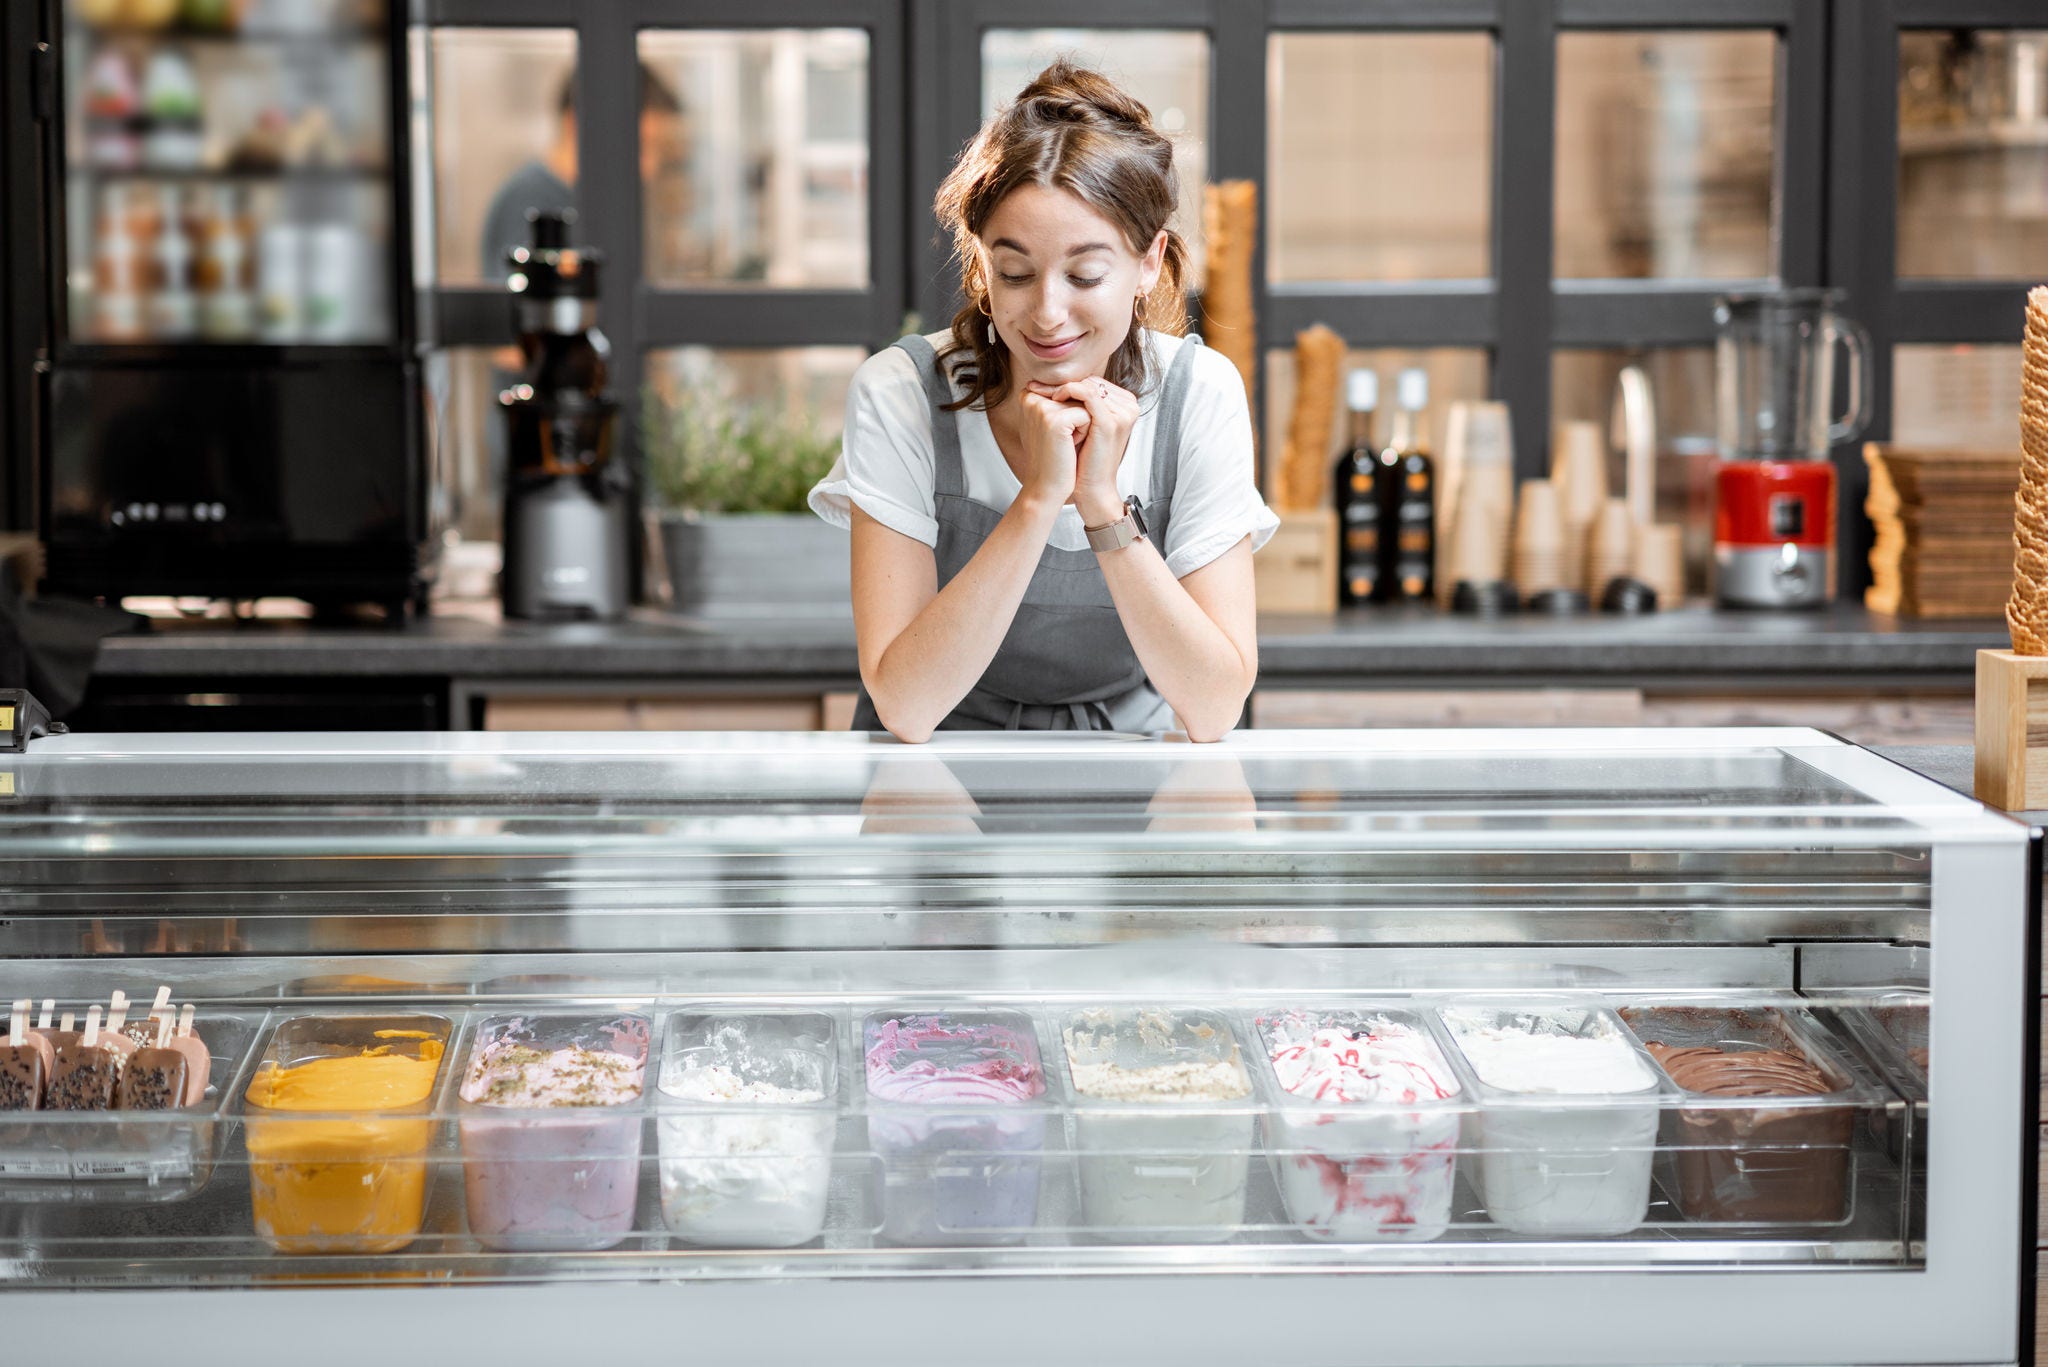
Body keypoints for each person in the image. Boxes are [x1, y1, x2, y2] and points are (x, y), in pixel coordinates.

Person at [808, 61, 1275, 742]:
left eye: (1085, 272)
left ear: (1150, 262)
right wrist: (1038, 497)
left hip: (1131, 764)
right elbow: (906, 705)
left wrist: (1100, 503)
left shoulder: (1199, 394)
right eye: (1016, 272)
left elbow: (1212, 706)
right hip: (937, 766)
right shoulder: (902, 393)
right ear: (981, 265)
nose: (1048, 313)